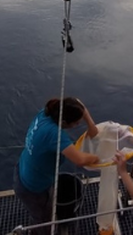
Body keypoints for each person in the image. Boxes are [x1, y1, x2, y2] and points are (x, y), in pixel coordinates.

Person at [14, 97, 100, 234]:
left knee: (43, 211)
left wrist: (91, 125)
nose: (78, 124)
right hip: (33, 187)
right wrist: (99, 156)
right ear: (65, 122)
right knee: (43, 221)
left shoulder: (47, 112)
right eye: (76, 123)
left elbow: (78, 101)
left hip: (23, 169)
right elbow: (80, 160)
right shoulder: (54, 134)